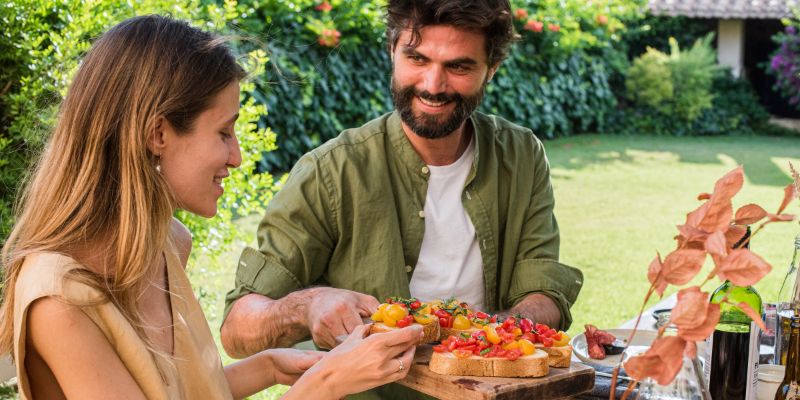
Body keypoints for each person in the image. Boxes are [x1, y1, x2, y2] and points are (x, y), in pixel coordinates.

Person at [0, 15, 422, 400]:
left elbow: (178, 391)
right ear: (157, 134)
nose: (236, 156)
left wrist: (270, 365)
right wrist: (324, 385)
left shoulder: (167, 243)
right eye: (224, 132)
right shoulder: (58, 301)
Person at [222, 0, 583, 376]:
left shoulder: (522, 156)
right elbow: (237, 329)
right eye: (417, 58)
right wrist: (307, 304)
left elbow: (543, 291)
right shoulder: (330, 172)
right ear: (391, 50)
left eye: (458, 66)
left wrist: (492, 339)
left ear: (491, 68)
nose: (433, 85)